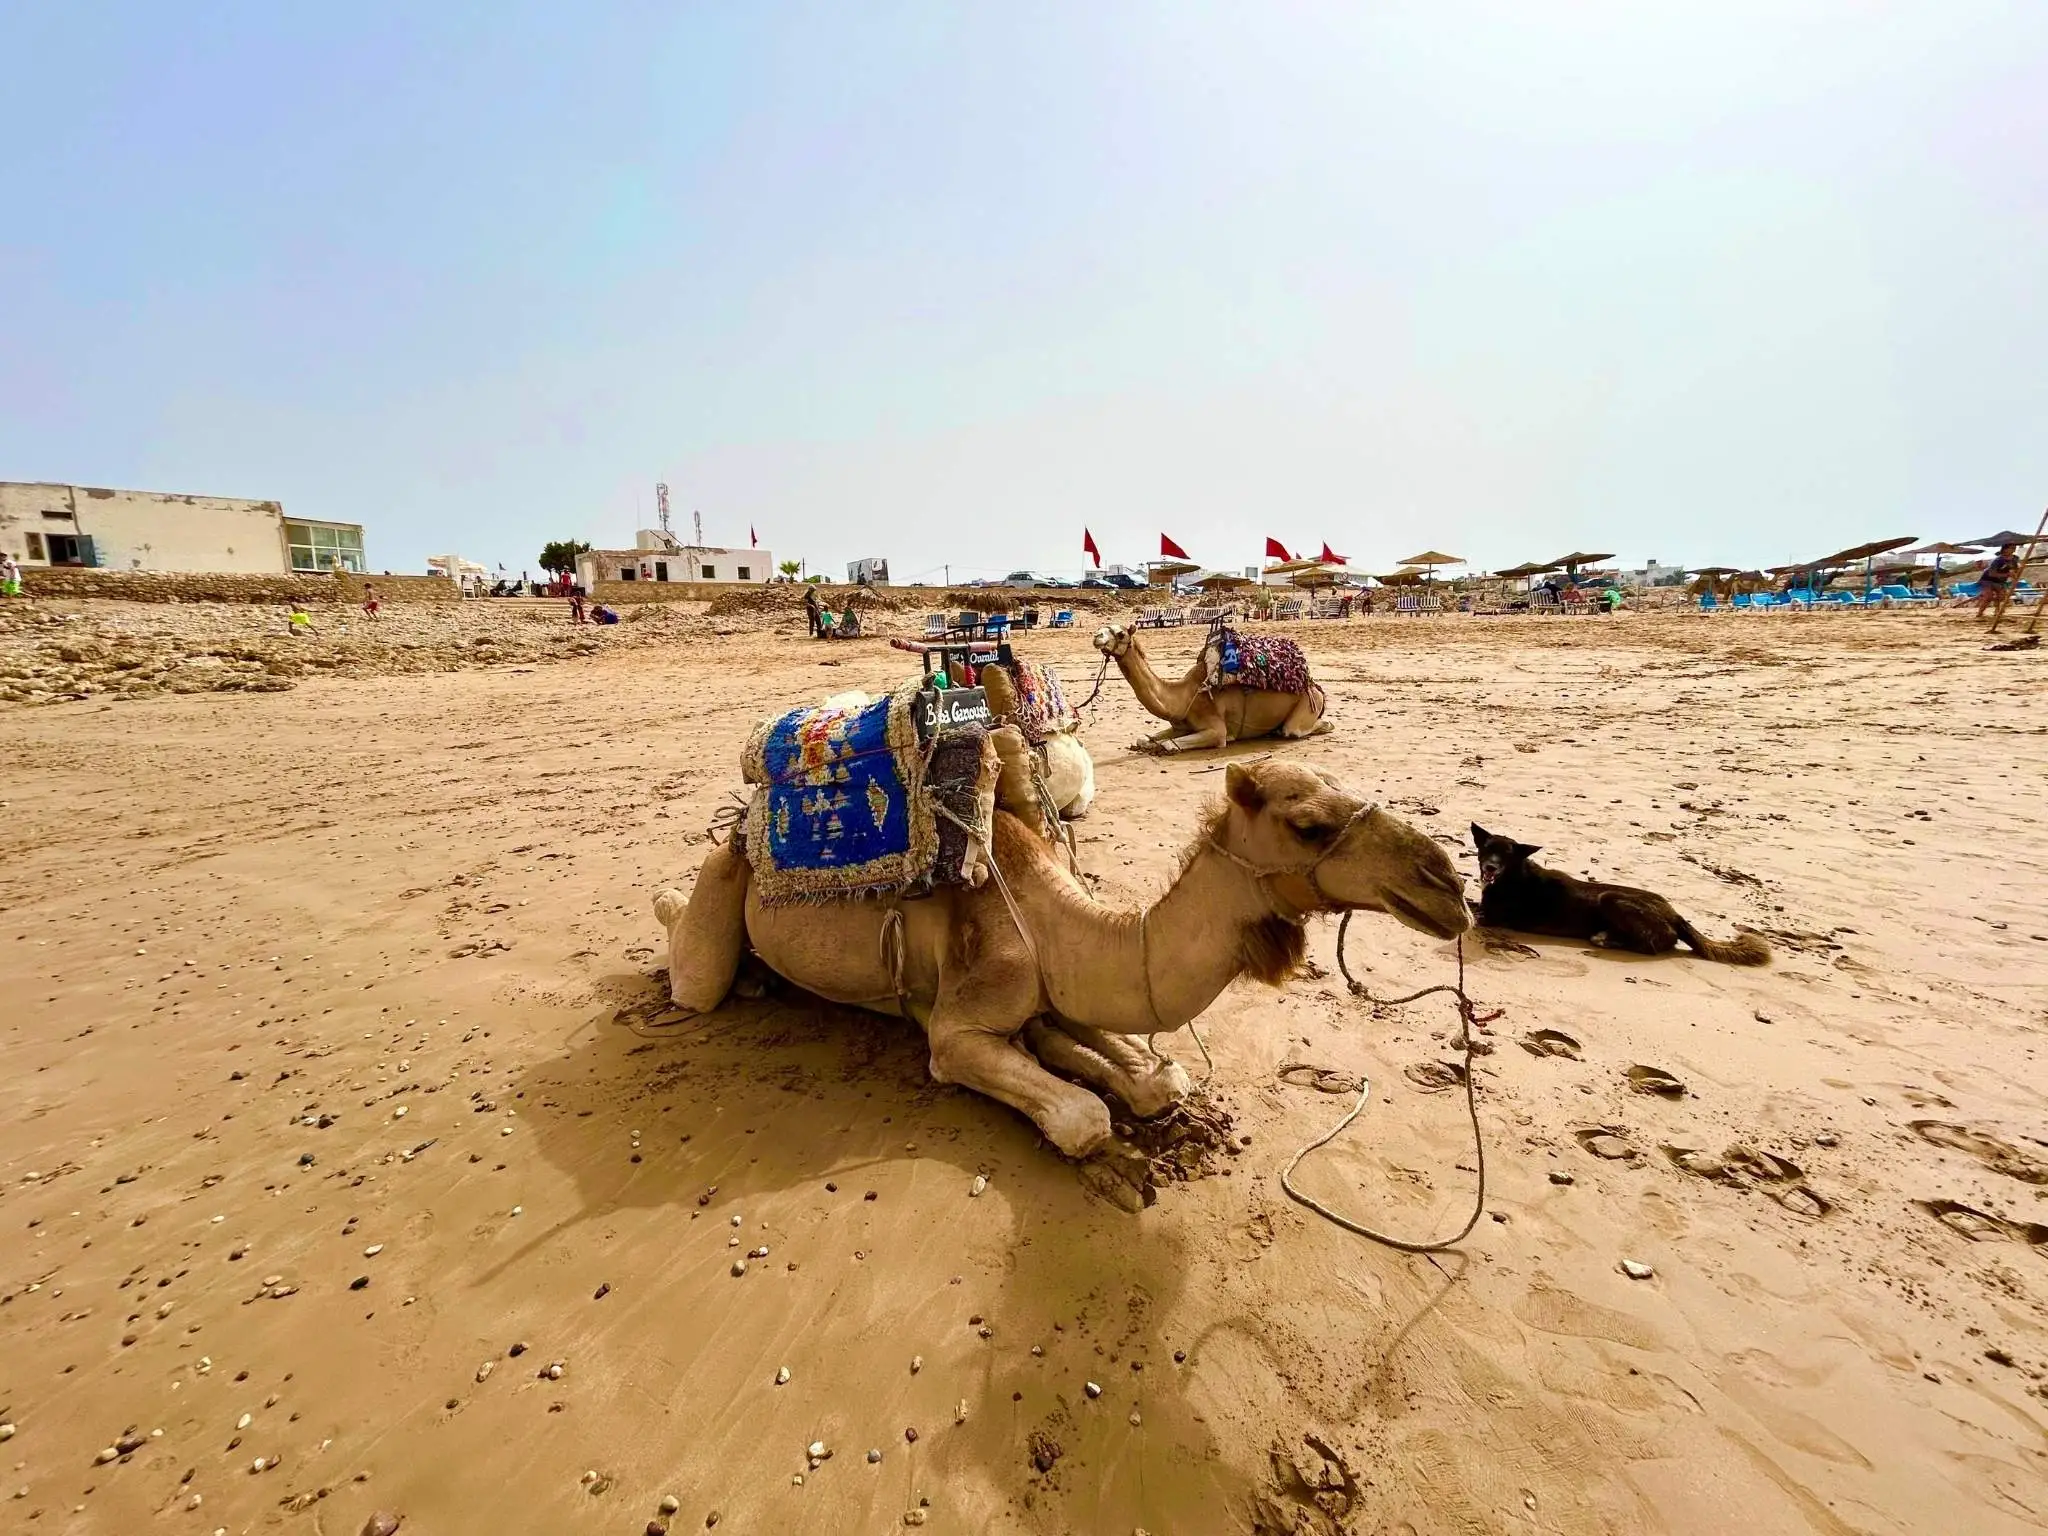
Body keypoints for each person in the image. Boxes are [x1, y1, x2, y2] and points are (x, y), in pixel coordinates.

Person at [1976, 543, 2020, 617]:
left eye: (2014, 548)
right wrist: (2007, 575)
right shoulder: (1998, 560)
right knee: (1988, 597)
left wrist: (2014, 579)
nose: (2013, 549)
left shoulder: (2015, 559)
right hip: (1987, 579)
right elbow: (1991, 574)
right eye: (2011, 548)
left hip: (2000, 581)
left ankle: (1997, 611)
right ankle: (1980, 613)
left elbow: (2014, 570)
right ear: (2005, 549)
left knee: (2001, 596)